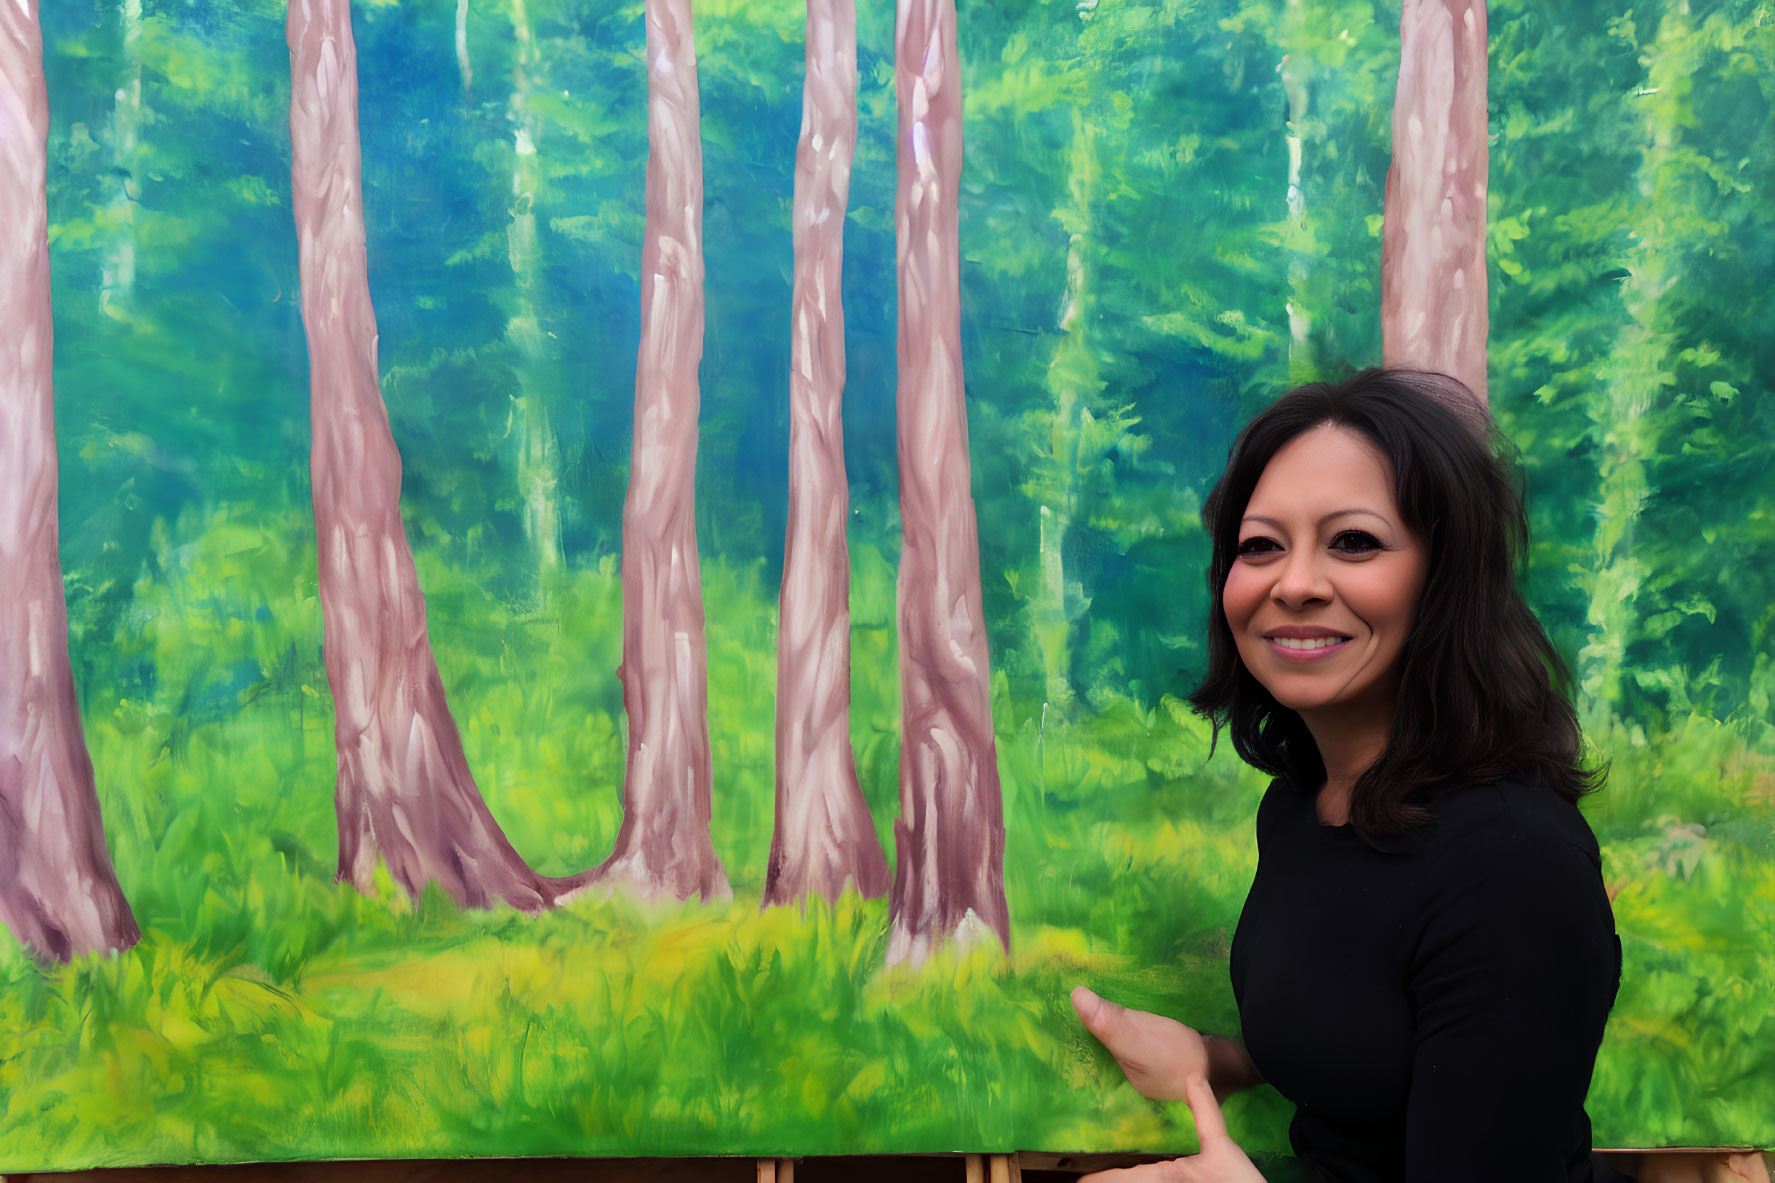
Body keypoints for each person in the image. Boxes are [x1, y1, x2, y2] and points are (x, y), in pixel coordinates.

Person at [1071, 369, 1624, 1183]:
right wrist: (1213, 1061)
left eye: (1353, 541)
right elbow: (1373, 1040)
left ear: (1446, 578)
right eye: (1260, 546)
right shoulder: (1303, 806)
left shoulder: (1513, 866)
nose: (1293, 583)